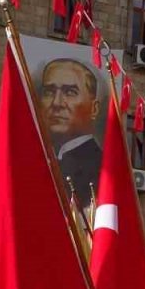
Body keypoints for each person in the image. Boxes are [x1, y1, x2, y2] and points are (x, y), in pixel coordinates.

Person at [38, 59, 101, 207]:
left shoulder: (103, 170)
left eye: (70, 92)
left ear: (94, 108)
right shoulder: (32, 159)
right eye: (49, 92)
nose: (57, 103)